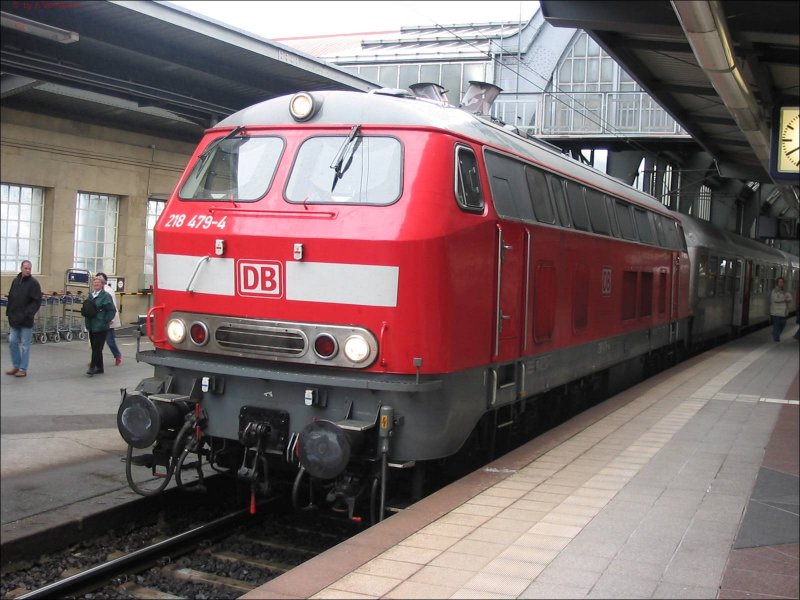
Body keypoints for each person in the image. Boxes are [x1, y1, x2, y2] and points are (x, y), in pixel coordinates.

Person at [5, 260, 43, 378]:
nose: (27, 270)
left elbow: (37, 301)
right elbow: (11, 297)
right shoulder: (16, 281)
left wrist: (28, 314)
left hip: (26, 320)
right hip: (14, 318)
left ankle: (23, 368)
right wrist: (9, 313)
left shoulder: (34, 283)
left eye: (29, 268)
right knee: (12, 342)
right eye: (26, 268)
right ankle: (16, 365)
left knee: (25, 345)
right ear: (21, 268)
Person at [85, 275, 116, 376]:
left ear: (102, 285)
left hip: (101, 325)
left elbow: (112, 310)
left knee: (97, 347)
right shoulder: (91, 295)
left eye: (98, 283)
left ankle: (92, 367)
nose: (96, 284)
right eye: (94, 283)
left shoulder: (106, 296)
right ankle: (100, 367)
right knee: (95, 347)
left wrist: (105, 320)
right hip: (91, 325)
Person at [96, 272, 122, 366]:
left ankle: (117, 355)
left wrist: (111, 319)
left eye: (100, 278)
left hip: (107, 320)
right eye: (97, 278)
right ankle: (95, 360)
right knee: (97, 342)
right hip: (98, 320)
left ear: (105, 281)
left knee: (109, 340)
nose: (98, 280)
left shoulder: (109, 291)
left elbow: (113, 306)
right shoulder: (96, 291)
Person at [769, 276, 792, 342]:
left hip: (783, 312)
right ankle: (776, 337)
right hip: (775, 312)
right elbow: (775, 300)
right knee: (776, 325)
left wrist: (784, 299)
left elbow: (790, 298)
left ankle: (775, 333)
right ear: (777, 283)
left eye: (782, 282)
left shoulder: (785, 291)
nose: (782, 283)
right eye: (780, 282)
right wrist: (785, 299)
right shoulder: (774, 291)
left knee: (783, 323)